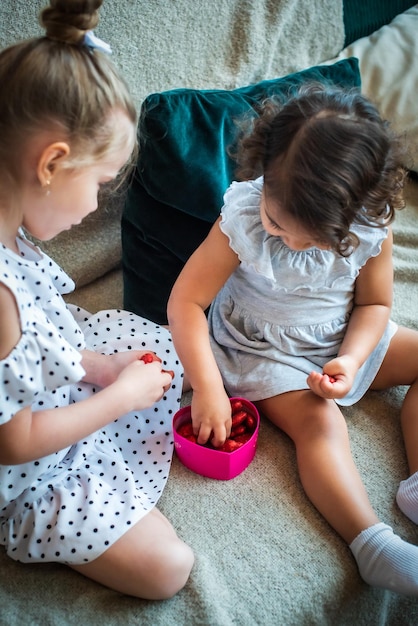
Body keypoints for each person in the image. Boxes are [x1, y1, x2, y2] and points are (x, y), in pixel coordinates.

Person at [168, 83, 418, 596]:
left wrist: (351, 358)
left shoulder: (372, 227)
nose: (294, 243)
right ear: (262, 175)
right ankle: (371, 543)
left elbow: (375, 305)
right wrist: (209, 387)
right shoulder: (243, 217)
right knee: (320, 426)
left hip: (341, 337)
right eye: (279, 224)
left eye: (319, 238)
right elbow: (186, 303)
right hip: (261, 349)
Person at [0, 0, 193, 600]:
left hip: (47, 394)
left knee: (172, 353)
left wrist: (101, 368)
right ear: (53, 163)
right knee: (169, 568)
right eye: (101, 184)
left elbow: (46, 341)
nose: (94, 208)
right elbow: (15, 442)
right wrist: (118, 397)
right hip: (28, 468)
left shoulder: (12, 236)